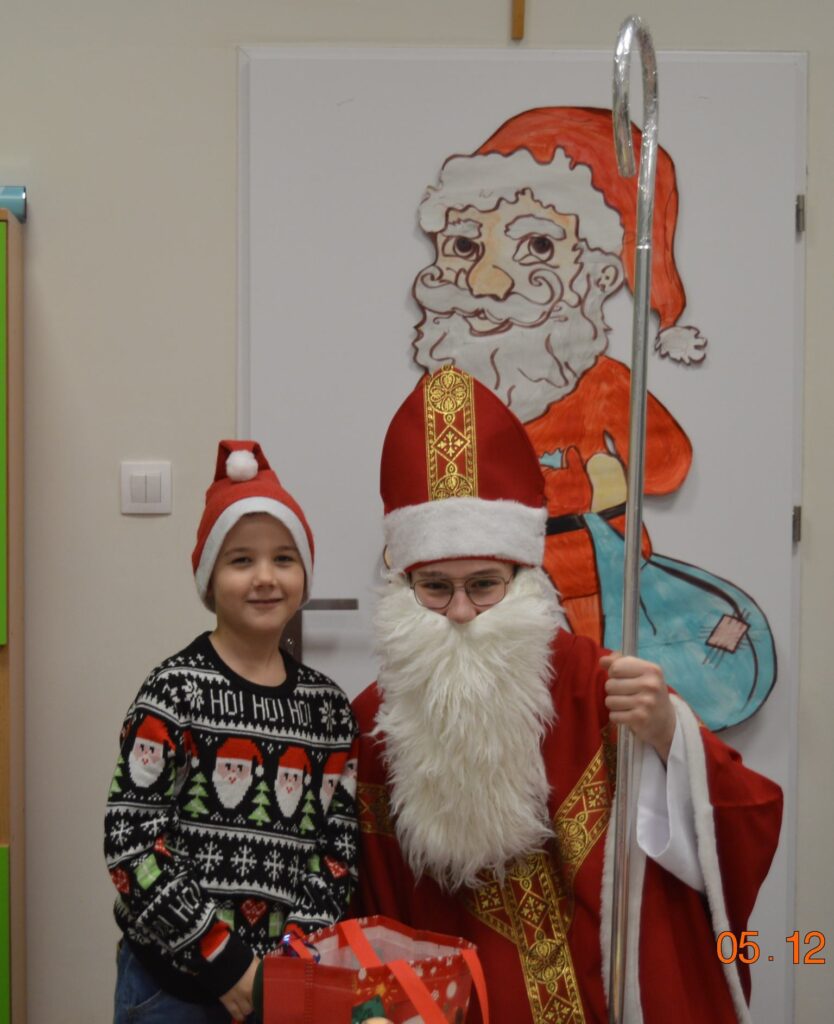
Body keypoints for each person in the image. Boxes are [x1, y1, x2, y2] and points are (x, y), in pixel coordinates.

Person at [353, 366, 782, 1023]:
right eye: (435, 587)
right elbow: (365, 903)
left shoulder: (600, 687)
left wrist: (667, 734)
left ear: (522, 577)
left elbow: (743, 814)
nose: (461, 612)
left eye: (484, 585)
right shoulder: (374, 722)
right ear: (404, 587)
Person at [410, 107, 702, 643]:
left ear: (596, 275)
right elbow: (446, 498)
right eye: (466, 246)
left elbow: (666, 468)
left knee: (602, 690)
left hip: (600, 589)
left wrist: (607, 479)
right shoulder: (449, 395)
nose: (489, 283)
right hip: (485, 607)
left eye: (538, 246)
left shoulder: (603, 385)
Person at [105, 440, 358, 1023]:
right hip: (171, 990)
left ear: (305, 575)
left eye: (284, 558)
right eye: (241, 560)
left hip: (281, 986)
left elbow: (337, 856)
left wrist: (286, 964)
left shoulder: (329, 712)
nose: (265, 577)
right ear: (209, 578)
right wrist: (226, 964)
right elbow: (131, 842)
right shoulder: (173, 693)